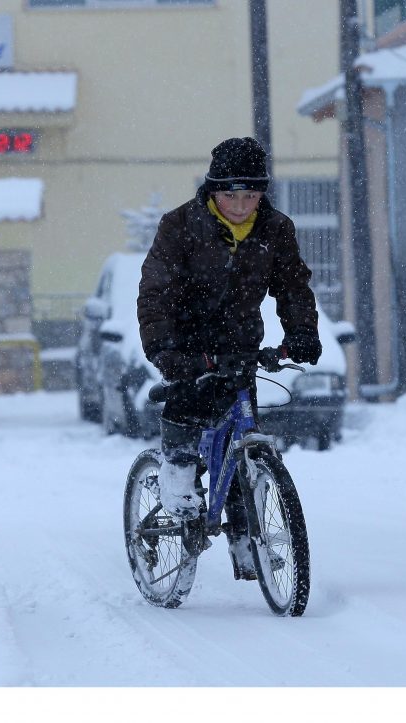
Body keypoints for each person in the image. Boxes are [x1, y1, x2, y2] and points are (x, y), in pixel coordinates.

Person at [136, 136, 322, 581]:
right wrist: (165, 349)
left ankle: (246, 540)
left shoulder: (275, 228)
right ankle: (179, 483)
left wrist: (301, 334)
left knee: (242, 434)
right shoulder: (180, 225)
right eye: (231, 195)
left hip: (240, 342)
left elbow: (293, 286)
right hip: (187, 341)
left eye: (251, 196)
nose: (241, 206)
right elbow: (155, 291)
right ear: (213, 190)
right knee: (187, 405)